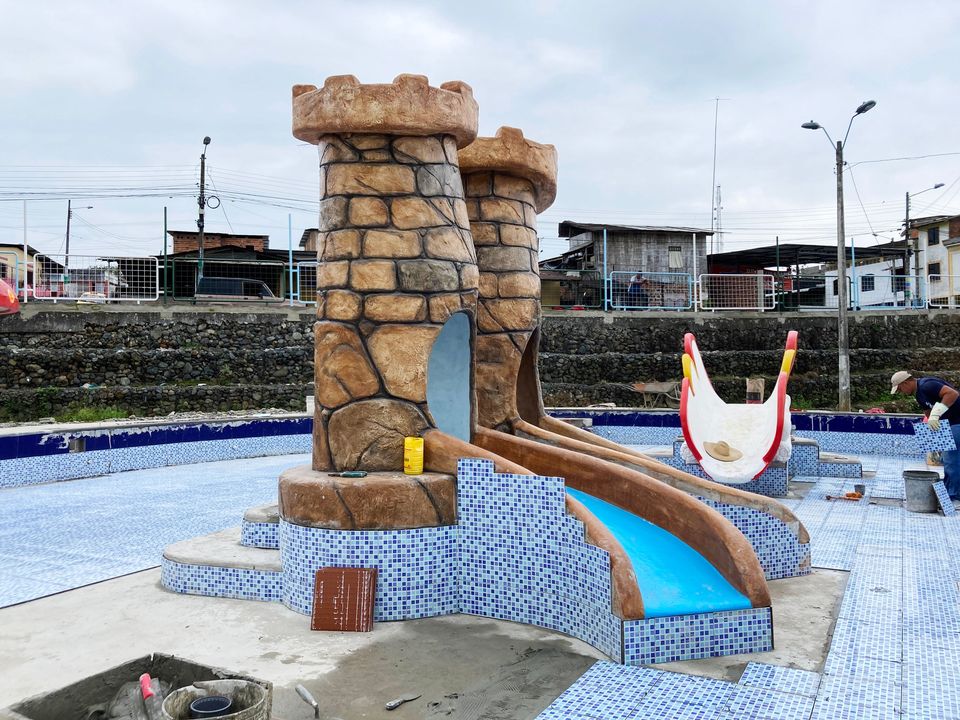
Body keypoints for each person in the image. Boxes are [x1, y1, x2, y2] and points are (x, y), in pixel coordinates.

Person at [891, 370, 960, 499]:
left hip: (957, 422)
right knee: (947, 460)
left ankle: (954, 494)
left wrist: (936, 414)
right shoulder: (919, 394)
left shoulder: (927, 385)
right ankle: (950, 490)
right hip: (948, 425)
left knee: (952, 460)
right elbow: (928, 412)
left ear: (905, 383)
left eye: (900, 389)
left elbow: (952, 394)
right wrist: (933, 436)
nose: (901, 392)